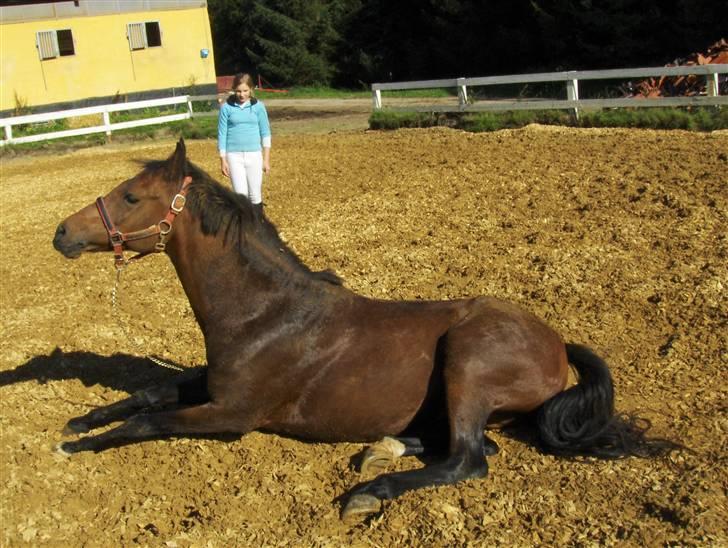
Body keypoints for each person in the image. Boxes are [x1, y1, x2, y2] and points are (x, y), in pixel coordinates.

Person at [217, 73, 271, 216]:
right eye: (239, 91)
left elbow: (265, 132)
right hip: (234, 155)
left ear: (251, 90)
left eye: (245, 91)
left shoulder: (258, 107)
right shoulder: (226, 108)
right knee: (240, 196)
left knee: (255, 194)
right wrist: (223, 159)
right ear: (234, 90)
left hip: (254, 154)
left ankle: (258, 225)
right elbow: (222, 134)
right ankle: (244, 228)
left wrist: (265, 159)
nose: (242, 95)